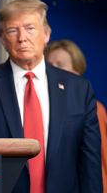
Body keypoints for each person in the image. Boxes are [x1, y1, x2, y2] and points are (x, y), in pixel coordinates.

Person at [0, 0, 102, 192]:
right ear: (2, 39)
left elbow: (90, 166)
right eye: (12, 30)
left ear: (46, 34)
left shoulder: (79, 89)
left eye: (30, 28)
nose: (22, 38)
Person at [45, 39, 107, 193]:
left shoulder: (92, 108)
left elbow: (100, 161)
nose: (53, 71)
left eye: (60, 65)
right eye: (49, 65)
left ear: (76, 72)